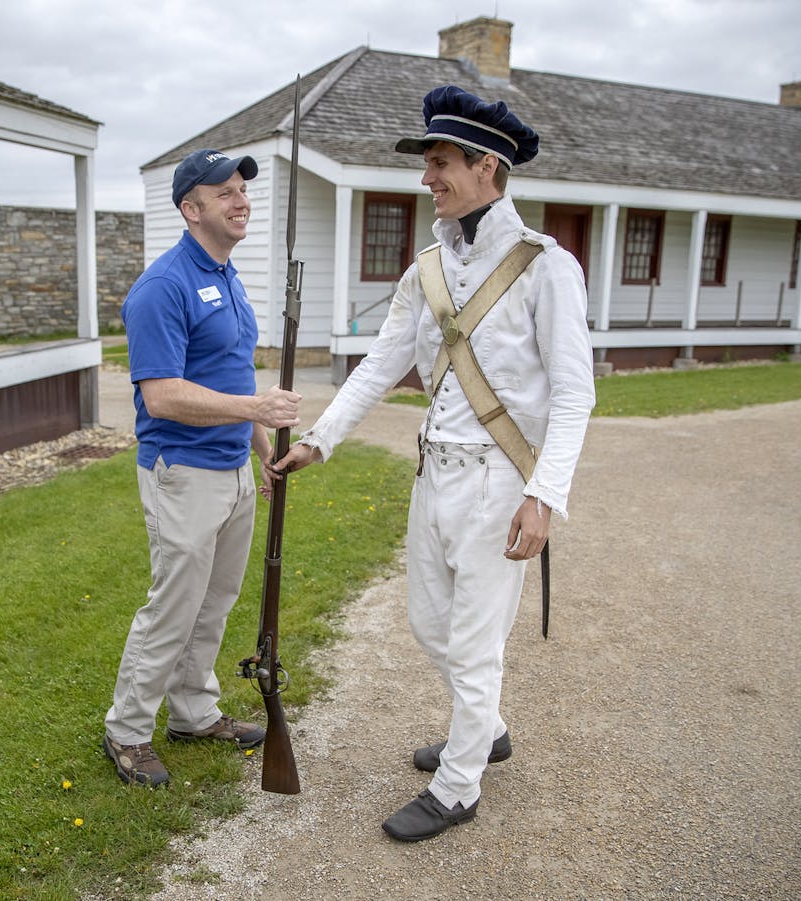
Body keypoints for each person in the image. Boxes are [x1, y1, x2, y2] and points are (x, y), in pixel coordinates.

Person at [271, 86, 596, 840]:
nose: (428, 178)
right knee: (428, 623)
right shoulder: (427, 268)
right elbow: (382, 362)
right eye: (427, 163)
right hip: (434, 472)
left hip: (499, 479)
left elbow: (576, 397)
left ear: (488, 167)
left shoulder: (548, 268)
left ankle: (459, 784)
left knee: (475, 642)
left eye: (441, 163)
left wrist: (544, 495)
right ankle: (486, 729)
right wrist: (321, 436)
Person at [102, 149, 304, 788]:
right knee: (173, 606)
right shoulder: (162, 288)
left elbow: (229, 371)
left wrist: (257, 443)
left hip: (232, 470)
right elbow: (161, 395)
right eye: (224, 192)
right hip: (182, 472)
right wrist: (256, 407)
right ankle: (127, 731)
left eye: (243, 189)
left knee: (214, 603)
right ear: (191, 209)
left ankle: (193, 712)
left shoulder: (229, 275)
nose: (241, 200)